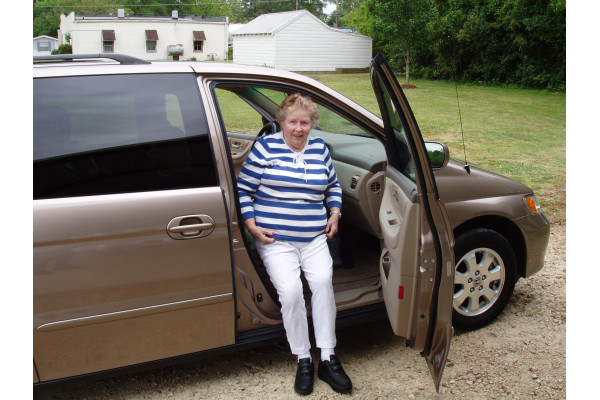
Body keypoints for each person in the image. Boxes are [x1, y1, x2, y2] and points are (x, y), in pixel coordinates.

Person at [237, 93, 352, 395]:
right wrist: (251, 224)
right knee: (290, 294)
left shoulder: (319, 148)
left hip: (314, 237)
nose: (298, 129)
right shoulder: (266, 147)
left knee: (323, 284)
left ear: (312, 124)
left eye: (304, 123)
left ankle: (327, 356)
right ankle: (303, 358)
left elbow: (333, 185)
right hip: (276, 240)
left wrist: (335, 212)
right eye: (292, 122)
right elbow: (243, 189)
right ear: (282, 122)